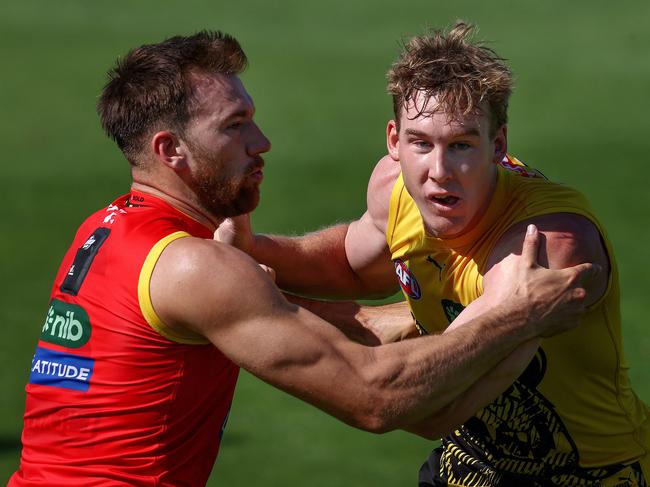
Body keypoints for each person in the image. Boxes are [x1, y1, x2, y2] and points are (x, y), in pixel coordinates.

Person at [8, 31, 596, 486]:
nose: (261, 141)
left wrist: (430, 308)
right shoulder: (194, 269)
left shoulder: (109, 229)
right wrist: (518, 315)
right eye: (235, 127)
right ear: (172, 151)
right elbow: (379, 399)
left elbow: (342, 306)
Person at [221, 23, 649, 485]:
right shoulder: (394, 185)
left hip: (588, 474)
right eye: (420, 143)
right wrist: (249, 252)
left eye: (462, 145)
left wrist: (251, 304)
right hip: (470, 459)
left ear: (498, 146)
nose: (438, 172)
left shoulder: (543, 247)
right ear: (394, 140)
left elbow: (430, 403)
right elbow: (351, 263)